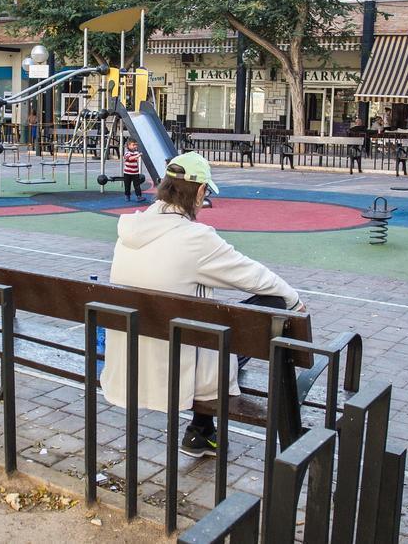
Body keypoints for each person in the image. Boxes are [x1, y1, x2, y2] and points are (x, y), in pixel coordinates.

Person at [105, 152, 305, 457]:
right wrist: (295, 301)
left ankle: (202, 432)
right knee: (272, 303)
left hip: (128, 357)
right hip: (172, 367)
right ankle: (200, 428)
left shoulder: (129, 230)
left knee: (205, 322)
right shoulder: (196, 238)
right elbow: (254, 276)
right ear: (199, 192)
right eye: (206, 191)